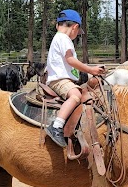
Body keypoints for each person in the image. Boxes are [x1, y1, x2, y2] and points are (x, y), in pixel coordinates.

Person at [44, 9, 105, 147]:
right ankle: (57, 126)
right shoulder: (64, 39)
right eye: (78, 32)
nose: (76, 35)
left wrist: (91, 73)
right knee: (76, 95)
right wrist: (91, 69)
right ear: (75, 27)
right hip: (60, 80)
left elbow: (71, 67)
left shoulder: (58, 38)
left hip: (62, 78)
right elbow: (70, 60)